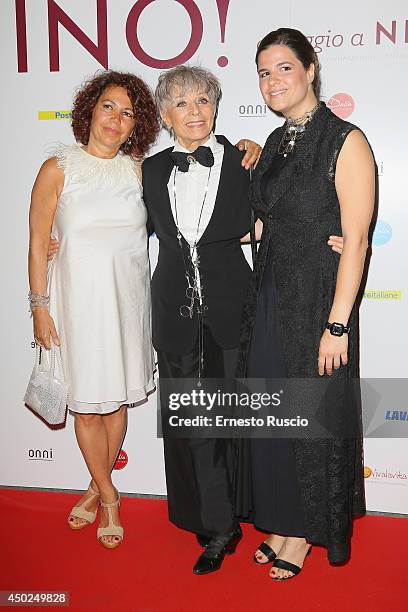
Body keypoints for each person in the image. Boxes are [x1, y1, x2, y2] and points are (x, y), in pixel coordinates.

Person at [142, 65, 344, 575]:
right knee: (189, 421)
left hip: (235, 307)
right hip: (173, 309)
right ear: (167, 114)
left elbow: (292, 206)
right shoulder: (148, 170)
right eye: (182, 103)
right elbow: (120, 227)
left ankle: (240, 513)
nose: (194, 111)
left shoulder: (247, 159)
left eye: (203, 101)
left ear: (216, 107)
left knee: (236, 420)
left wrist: (335, 238)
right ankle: (212, 525)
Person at [236, 28, 375, 580]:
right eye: (264, 72)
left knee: (310, 418)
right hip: (269, 295)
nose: (273, 81)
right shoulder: (274, 142)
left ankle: (301, 533)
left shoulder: (346, 140)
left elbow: (357, 239)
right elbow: (263, 222)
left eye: (284, 68)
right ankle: (279, 517)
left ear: (311, 70)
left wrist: (336, 325)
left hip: (317, 301)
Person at [28, 70, 159, 549]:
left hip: (128, 303)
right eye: (109, 106)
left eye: (128, 113)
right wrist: (39, 308)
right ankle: (109, 496)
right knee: (86, 406)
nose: (116, 119)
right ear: (90, 109)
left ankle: (93, 484)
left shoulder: (139, 170)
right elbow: (38, 243)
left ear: (135, 125)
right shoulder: (57, 168)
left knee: (118, 401)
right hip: (77, 304)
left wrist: (245, 146)